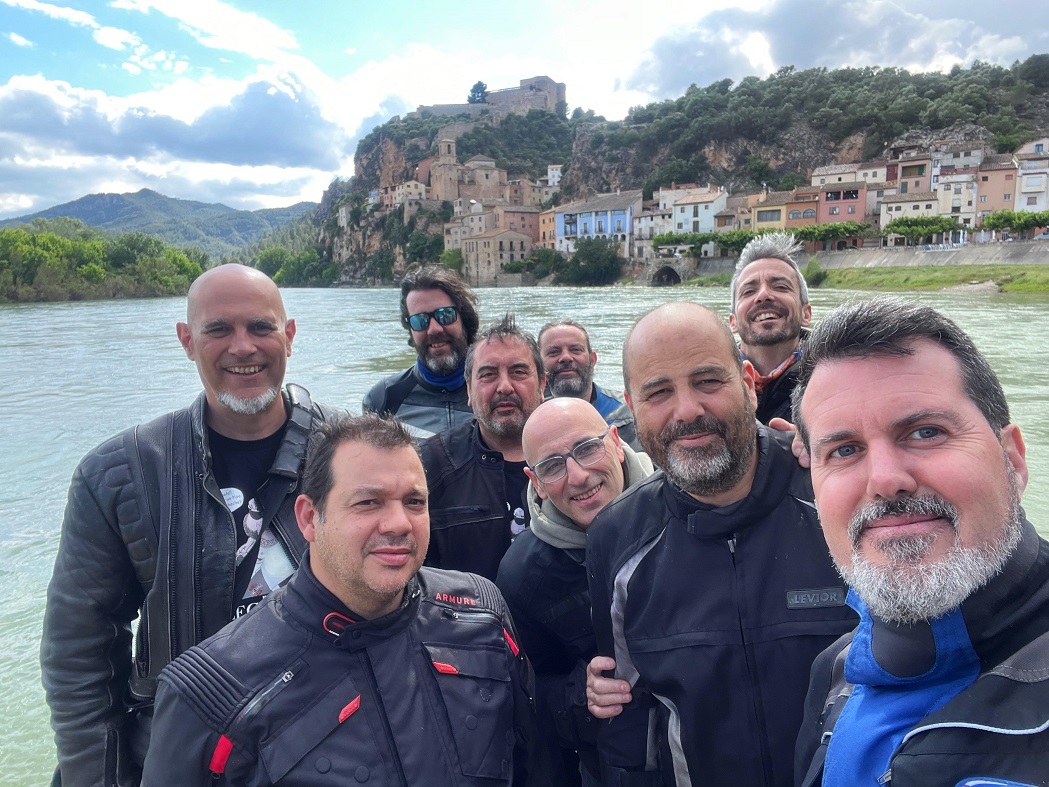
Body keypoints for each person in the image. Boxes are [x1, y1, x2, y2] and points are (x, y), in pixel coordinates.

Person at [40, 264, 337, 786]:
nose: (242, 346)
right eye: (218, 329)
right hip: (181, 756)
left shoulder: (353, 453)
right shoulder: (121, 473)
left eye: (261, 327)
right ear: (186, 341)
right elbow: (80, 655)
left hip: (329, 745)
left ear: (289, 336)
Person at [142, 413, 553, 786]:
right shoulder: (210, 693)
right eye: (368, 502)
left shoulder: (481, 612)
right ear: (309, 518)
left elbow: (536, 767)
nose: (398, 524)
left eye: (414, 502)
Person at [584, 301, 856, 786]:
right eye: (658, 392)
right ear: (631, 407)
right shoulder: (616, 536)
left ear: (749, 384)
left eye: (708, 381)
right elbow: (628, 706)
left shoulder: (833, 494)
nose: (687, 410)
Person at [791, 298, 1049, 787]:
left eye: (926, 432)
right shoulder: (834, 675)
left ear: (1012, 460)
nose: (886, 480)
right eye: (844, 450)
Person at [496, 398, 654, 786]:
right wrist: (580, 694)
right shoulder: (523, 575)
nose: (578, 476)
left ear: (616, 443)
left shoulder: (685, 504)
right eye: (552, 467)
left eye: (587, 448)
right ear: (536, 483)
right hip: (615, 764)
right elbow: (528, 692)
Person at [421, 314, 546, 580]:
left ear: (542, 384)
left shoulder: (575, 456)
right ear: (468, 390)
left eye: (519, 372)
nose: (504, 387)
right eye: (488, 375)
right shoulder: (431, 465)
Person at [362, 263, 479, 437]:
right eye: (420, 320)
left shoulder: (496, 390)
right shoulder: (384, 399)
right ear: (410, 330)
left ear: (464, 320)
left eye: (445, 315)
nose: (434, 329)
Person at [728, 231, 811, 424]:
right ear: (733, 322)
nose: (763, 295)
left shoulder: (835, 377)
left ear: (806, 314)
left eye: (781, 287)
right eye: (749, 291)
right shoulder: (708, 382)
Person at [538, 319, 639, 448]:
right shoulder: (532, 418)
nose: (566, 357)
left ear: (593, 359)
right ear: (539, 364)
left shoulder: (628, 412)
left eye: (575, 350)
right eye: (554, 352)